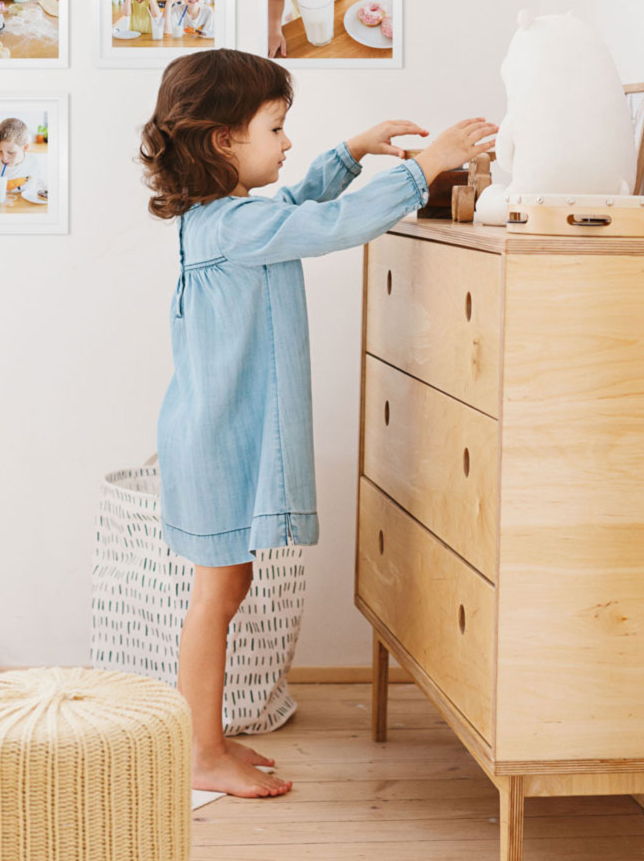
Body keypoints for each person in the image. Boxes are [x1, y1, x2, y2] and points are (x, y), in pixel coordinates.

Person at [140, 48, 496, 798]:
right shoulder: (233, 228)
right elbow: (330, 225)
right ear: (223, 142)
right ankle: (201, 752)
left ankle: (208, 740)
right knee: (215, 597)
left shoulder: (226, 218)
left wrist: (351, 152)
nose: (287, 141)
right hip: (216, 440)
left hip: (212, 434)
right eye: (276, 128)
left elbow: (297, 207)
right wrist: (425, 166)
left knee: (225, 588)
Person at [0, 117, 44, 195]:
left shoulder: (34, 162)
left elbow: (43, 186)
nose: (4, 158)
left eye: (11, 152)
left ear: (25, 147)